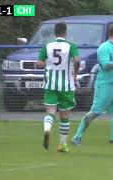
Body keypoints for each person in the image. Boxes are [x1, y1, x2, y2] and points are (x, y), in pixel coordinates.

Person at [71, 23, 113, 145]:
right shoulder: (104, 47)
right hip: (104, 85)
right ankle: (77, 137)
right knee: (95, 112)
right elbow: (106, 66)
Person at [36, 22, 80, 152]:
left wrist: (47, 64)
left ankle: (47, 129)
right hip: (66, 85)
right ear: (65, 32)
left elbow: (39, 63)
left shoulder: (47, 46)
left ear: (55, 33)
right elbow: (77, 60)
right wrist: (75, 73)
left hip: (50, 83)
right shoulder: (71, 46)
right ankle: (62, 144)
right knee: (65, 115)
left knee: (50, 111)